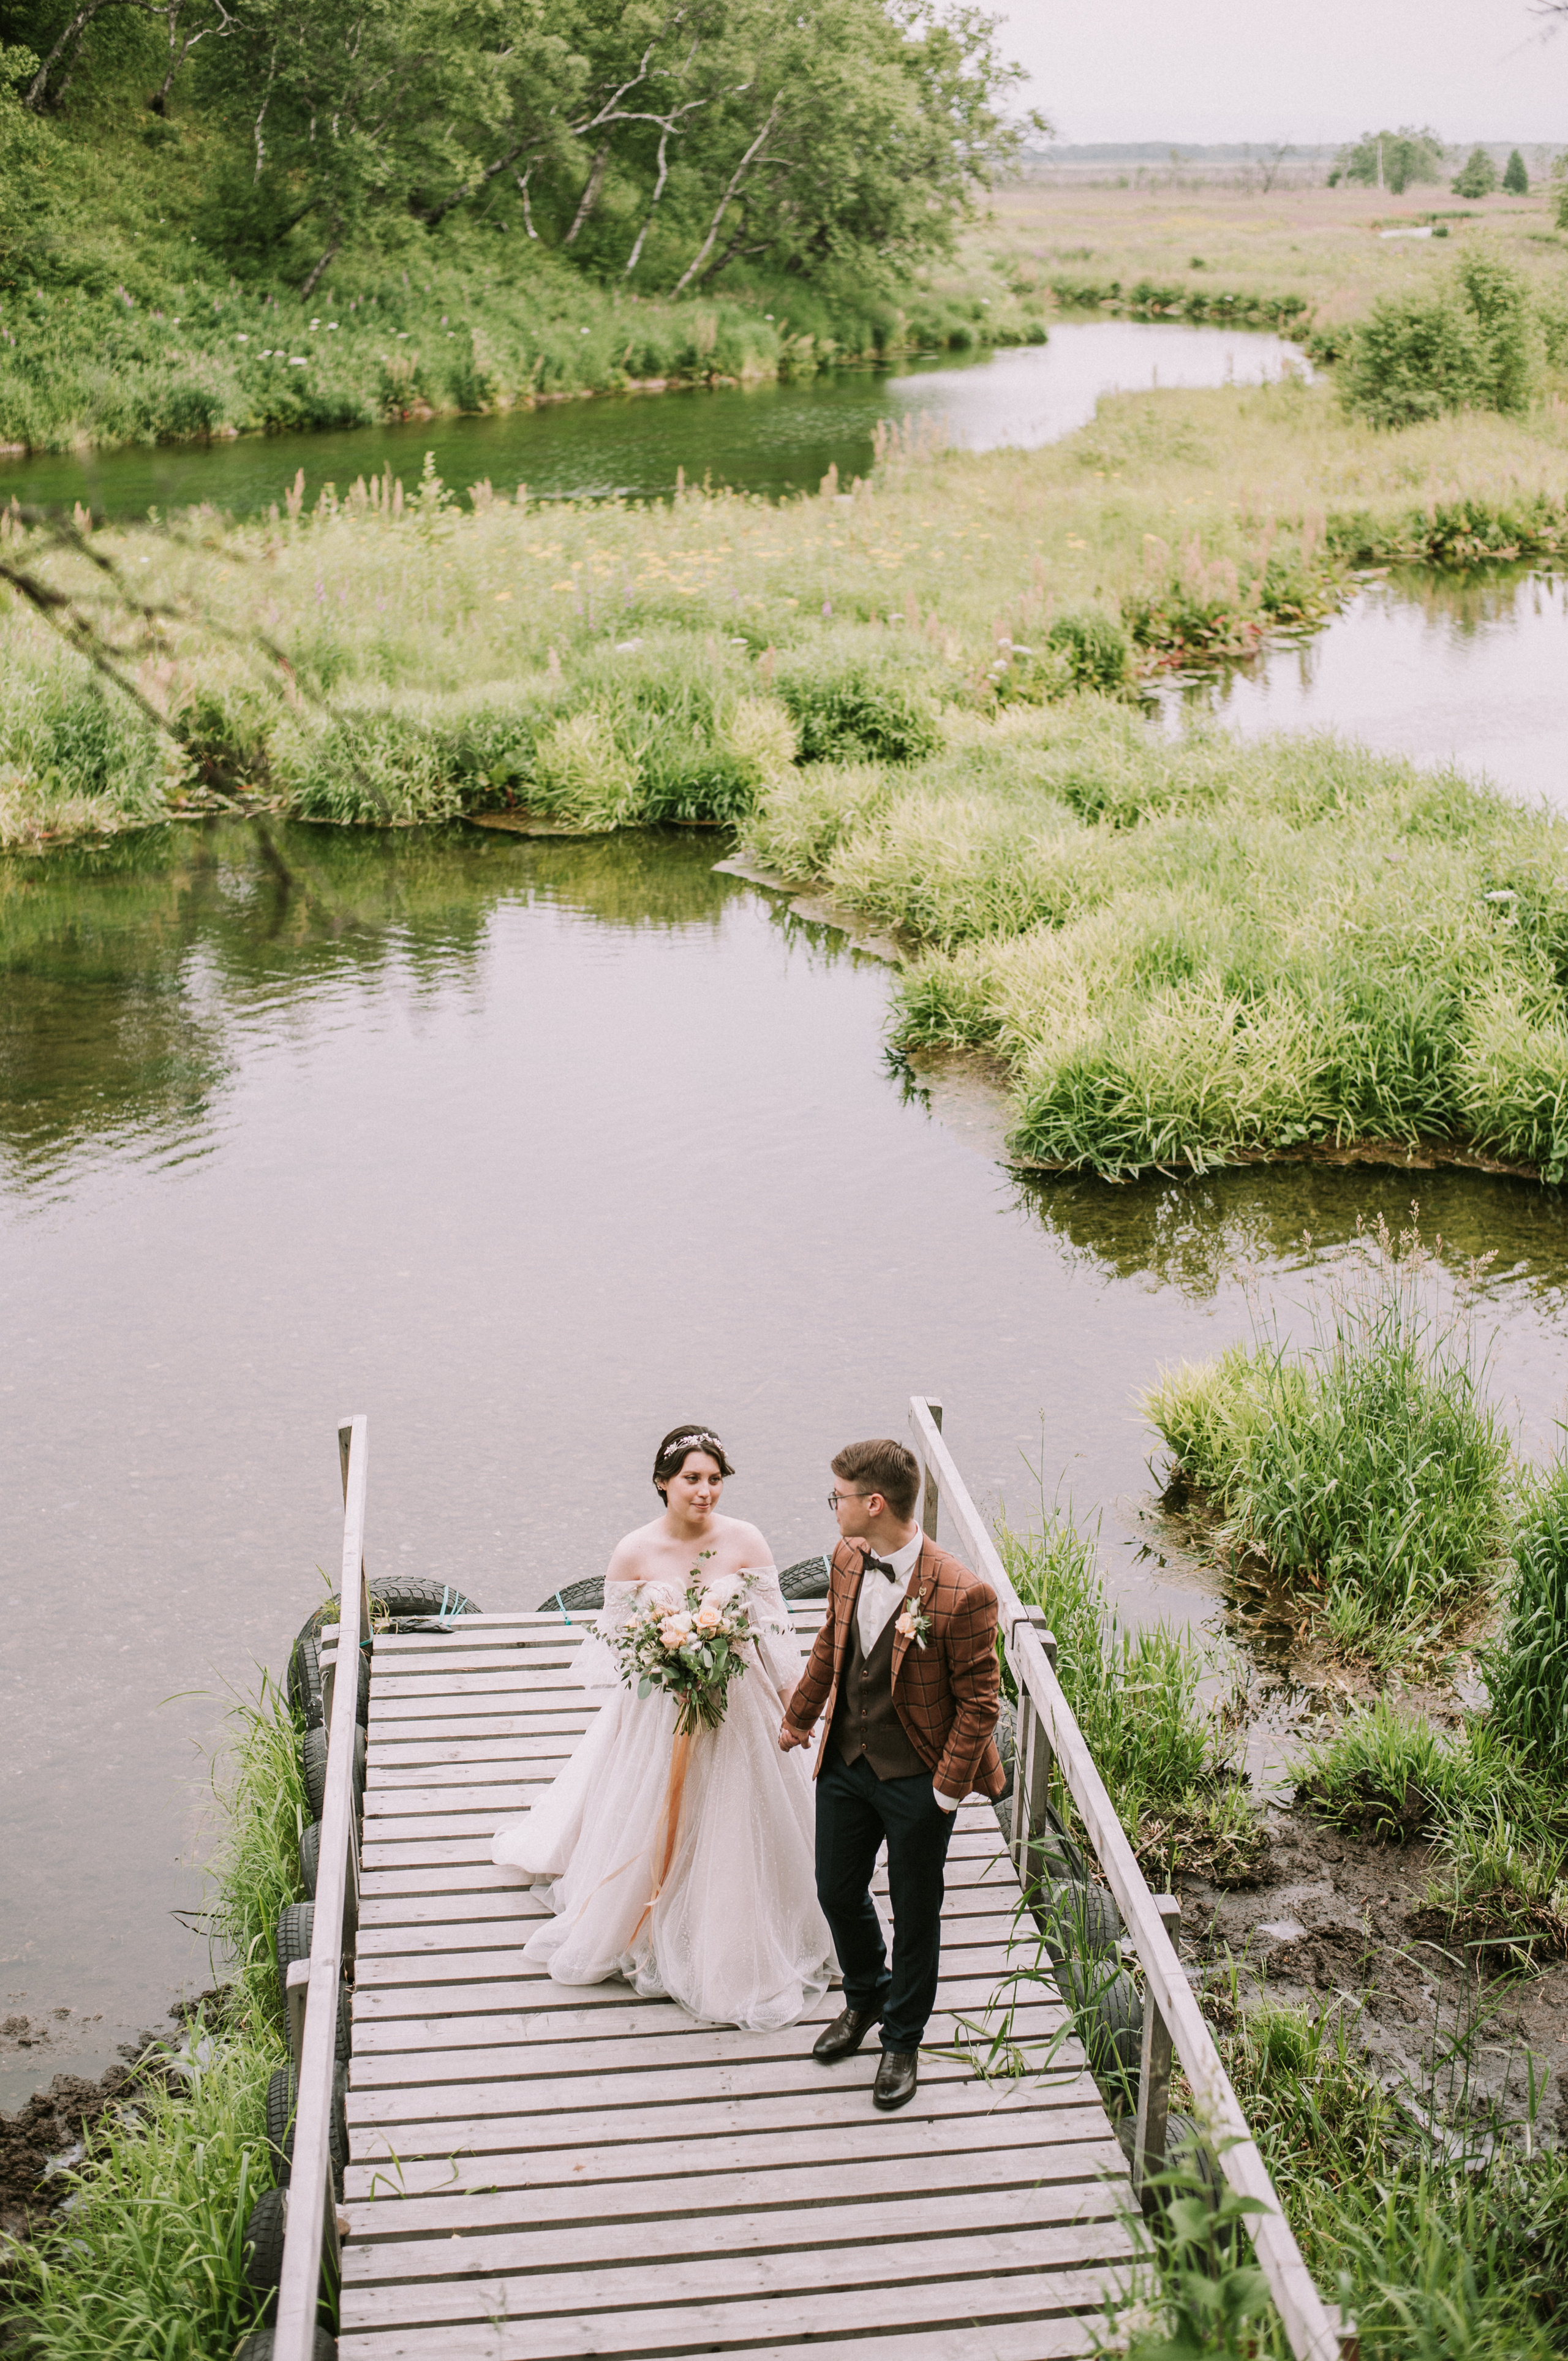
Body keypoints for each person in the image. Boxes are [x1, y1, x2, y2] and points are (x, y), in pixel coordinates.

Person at [492, 1425, 834, 2031]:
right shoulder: (634, 1551)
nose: (705, 1492)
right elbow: (615, 1643)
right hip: (660, 1707)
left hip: (738, 1703)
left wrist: (792, 1703)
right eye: (691, 1480)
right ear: (662, 1483)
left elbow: (775, 1629)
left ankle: (737, 1929)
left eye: (714, 1480)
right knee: (647, 1811)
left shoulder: (747, 1541)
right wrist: (663, 1660)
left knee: (740, 1814)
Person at [779, 1437, 1003, 2112]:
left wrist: (943, 1789)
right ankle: (865, 1995)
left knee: (916, 1913)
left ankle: (902, 2039)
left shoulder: (963, 1593)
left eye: (839, 1497)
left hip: (916, 1780)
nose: (833, 1508)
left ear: (874, 1503)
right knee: (835, 1888)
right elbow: (832, 1643)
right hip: (846, 1762)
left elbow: (981, 1702)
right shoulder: (848, 1559)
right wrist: (799, 1718)